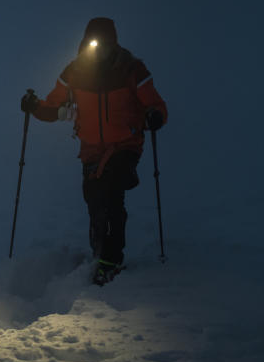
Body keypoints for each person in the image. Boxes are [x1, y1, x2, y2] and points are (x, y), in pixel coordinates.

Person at [20, 17, 167, 285]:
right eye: (92, 43)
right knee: (94, 199)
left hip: (126, 144)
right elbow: (54, 107)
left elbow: (155, 104)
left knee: (111, 195)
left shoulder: (131, 69)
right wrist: (34, 106)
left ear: (114, 43)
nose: (98, 49)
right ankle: (100, 251)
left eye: (103, 44)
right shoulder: (75, 71)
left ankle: (110, 261)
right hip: (91, 149)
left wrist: (155, 116)